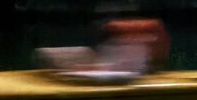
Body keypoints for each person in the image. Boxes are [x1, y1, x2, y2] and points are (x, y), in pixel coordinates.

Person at [36, 18, 170, 82]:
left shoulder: (137, 47)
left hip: (120, 72)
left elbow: (121, 69)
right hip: (112, 67)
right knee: (48, 54)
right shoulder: (117, 44)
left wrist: (87, 68)